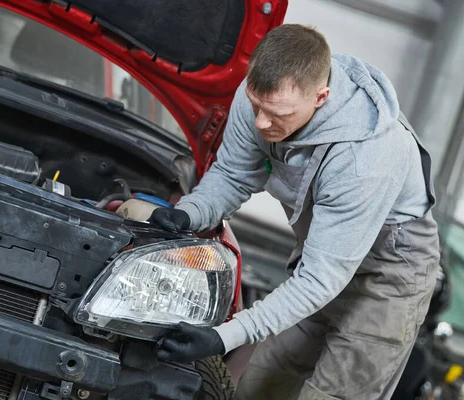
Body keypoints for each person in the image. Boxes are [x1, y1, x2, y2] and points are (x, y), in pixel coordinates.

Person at [150, 24, 440, 400]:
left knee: (330, 394)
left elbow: (320, 280)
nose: (260, 123)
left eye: (276, 113)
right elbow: (235, 174)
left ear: (321, 97)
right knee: (259, 387)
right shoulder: (261, 96)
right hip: (325, 252)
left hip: (389, 275)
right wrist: (188, 213)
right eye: (256, 106)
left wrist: (223, 337)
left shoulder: (365, 158)